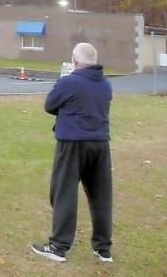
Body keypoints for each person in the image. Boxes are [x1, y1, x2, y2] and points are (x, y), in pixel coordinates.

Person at [31, 42, 114, 264]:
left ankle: (58, 245)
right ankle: (103, 248)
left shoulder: (69, 82)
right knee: (101, 196)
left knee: (64, 192)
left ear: (75, 62)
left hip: (73, 143)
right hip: (100, 144)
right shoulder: (105, 84)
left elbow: (50, 105)